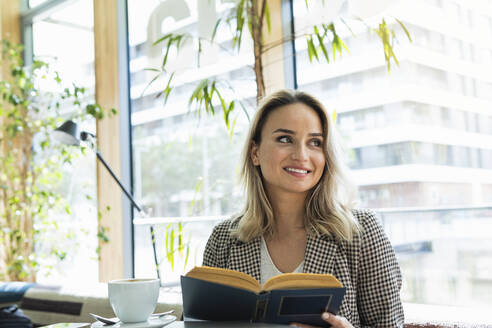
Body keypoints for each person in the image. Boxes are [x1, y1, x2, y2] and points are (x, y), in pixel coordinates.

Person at [202, 89, 404, 327]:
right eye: (285, 139)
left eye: (315, 143)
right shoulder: (223, 239)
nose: (301, 155)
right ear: (255, 152)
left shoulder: (361, 232)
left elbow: (389, 324)